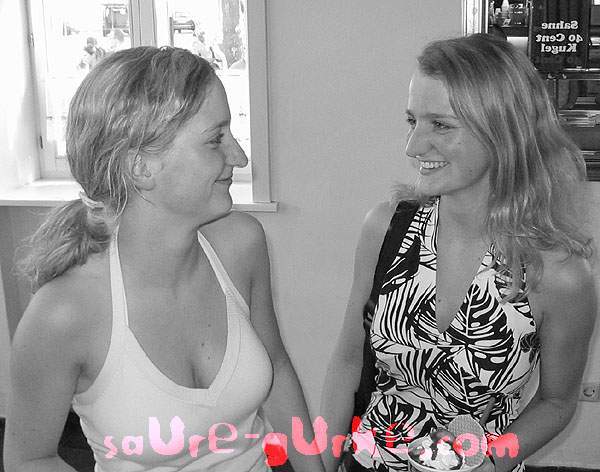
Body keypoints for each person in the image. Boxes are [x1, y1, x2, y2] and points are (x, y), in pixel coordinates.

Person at [5, 47, 325, 472]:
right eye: (215, 139)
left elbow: (278, 370)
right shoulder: (64, 313)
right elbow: (29, 458)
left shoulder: (240, 245)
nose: (239, 157)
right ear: (141, 167)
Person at [321, 33, 596, 472]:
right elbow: (348, 360)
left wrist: (491, 462)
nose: (412, 146)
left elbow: (557, 402)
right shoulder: (387, 229)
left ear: (503, 131)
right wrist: (322, 461)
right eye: (412, 120)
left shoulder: (558, 273)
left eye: (441, 125)